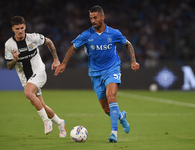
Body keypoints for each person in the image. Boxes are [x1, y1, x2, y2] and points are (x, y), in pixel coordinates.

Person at [55, 5, 140, 142]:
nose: (93, 20)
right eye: (91, 18)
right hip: (95, 73)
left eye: (95, 17)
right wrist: (64, 63)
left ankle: (114, 134)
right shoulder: (86, 35)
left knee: (111, 96)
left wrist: (133, 61)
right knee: (106, 109)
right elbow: (73, 48)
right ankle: (121, 116)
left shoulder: (114, 33)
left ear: (102, 17)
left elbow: (128, 44)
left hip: (112, 69)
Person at [4, 16, 66, 137]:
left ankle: (46, 122)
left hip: (39, 71)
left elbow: (49, 42)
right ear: (13, 29)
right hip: (26, 79)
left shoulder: (34, 37)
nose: (20, 31)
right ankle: (60, 123)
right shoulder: (9, 45)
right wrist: (15, 59)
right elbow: (9, 66)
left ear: (25, 26)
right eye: (17, 29)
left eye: (22, 28)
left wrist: (56, 59)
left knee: (28, 93)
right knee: (41, 105)